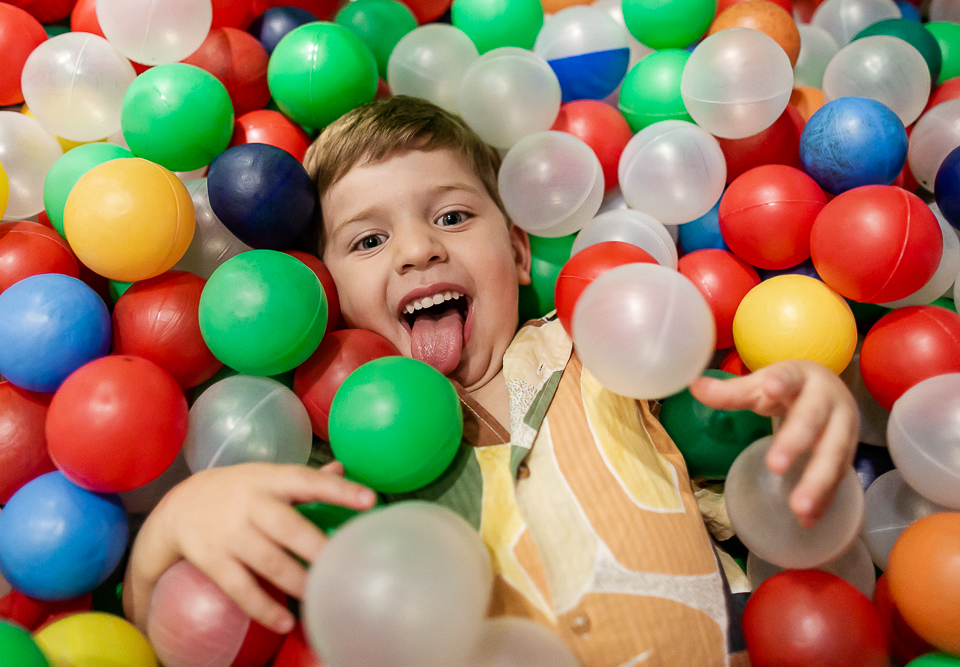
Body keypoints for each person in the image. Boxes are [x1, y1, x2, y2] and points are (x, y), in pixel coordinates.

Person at [125, 97, 861, 666]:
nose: (418, 249)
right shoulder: (325, 462)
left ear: (514, 251)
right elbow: (173, 627)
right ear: (325, 289)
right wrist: (182, 515)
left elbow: (755, 455)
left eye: (451, 214)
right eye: (369, 240)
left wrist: (810, 408)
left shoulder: (597, 351)